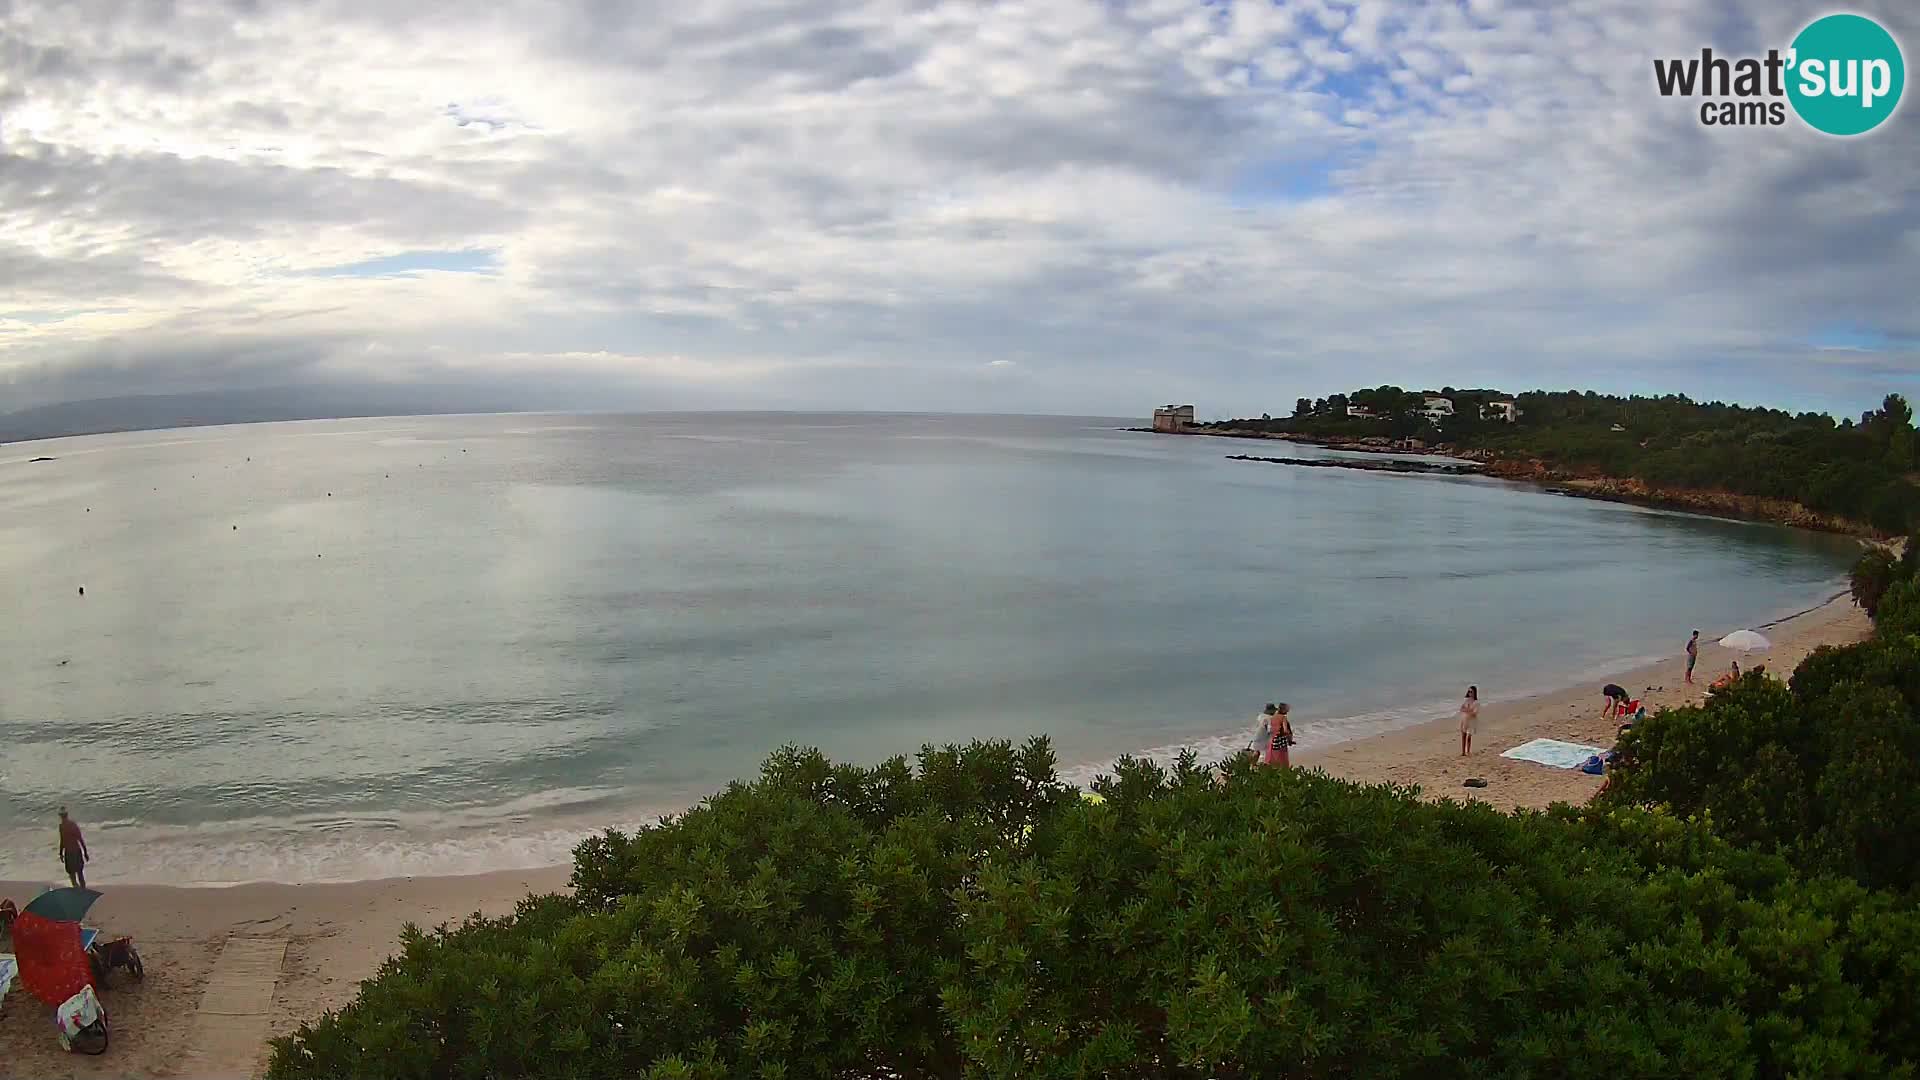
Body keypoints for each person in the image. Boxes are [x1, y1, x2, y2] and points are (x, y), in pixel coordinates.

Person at [58, 807, 89, 890]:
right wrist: (85, 852)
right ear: (67, 815)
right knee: (79, 874)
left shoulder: (62, 826)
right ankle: (83, 891)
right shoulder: (72, 825)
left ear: (60, 816)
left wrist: (61, 853)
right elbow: (80, 839)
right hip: (75, 851)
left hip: (69, 853)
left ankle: (77, 890)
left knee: (72, 875)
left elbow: (62, 841)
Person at [1262, 703, 1294, 769]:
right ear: (1283, 710)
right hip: (1280, 740)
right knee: (1282, 760)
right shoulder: (1283, 717)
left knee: (1273, 759)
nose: (1288, 711)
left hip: (1272, 740)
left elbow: (1269, 729)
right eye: (1287, 709)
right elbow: (1285, 730)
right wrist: (1289, 740)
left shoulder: (1273, 717)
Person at [1458, 685, 1480, 756]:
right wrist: (1469, 710)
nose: (1470, 693)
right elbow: (1461, 709)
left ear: (1474, 693)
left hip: (1471, 721)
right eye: (1469, 692)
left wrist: (1467, 710)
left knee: (1469, 737)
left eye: (1471, 692)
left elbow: (1474, 713)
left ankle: (1468, 751)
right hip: (1464, 720)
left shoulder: (1476, 702)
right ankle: (1463, 752)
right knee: (1463, 735)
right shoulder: (1466, 700)